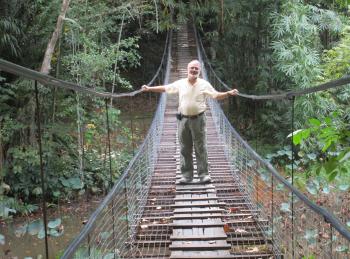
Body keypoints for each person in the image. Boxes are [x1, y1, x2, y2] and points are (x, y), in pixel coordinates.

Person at [141, 59, 238, 184]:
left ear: (199, 71)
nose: (194, 70)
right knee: (184, 148)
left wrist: (228, 93)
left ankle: (203, 175)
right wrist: (149, 88)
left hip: (198, 119)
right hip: (183, 120)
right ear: (187, 69)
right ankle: (187, 176)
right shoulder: (180, 83)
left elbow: (216, 95)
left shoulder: (204, 84)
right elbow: (165, 88)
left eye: (196, 68)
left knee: (200, 147)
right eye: (192, 68)